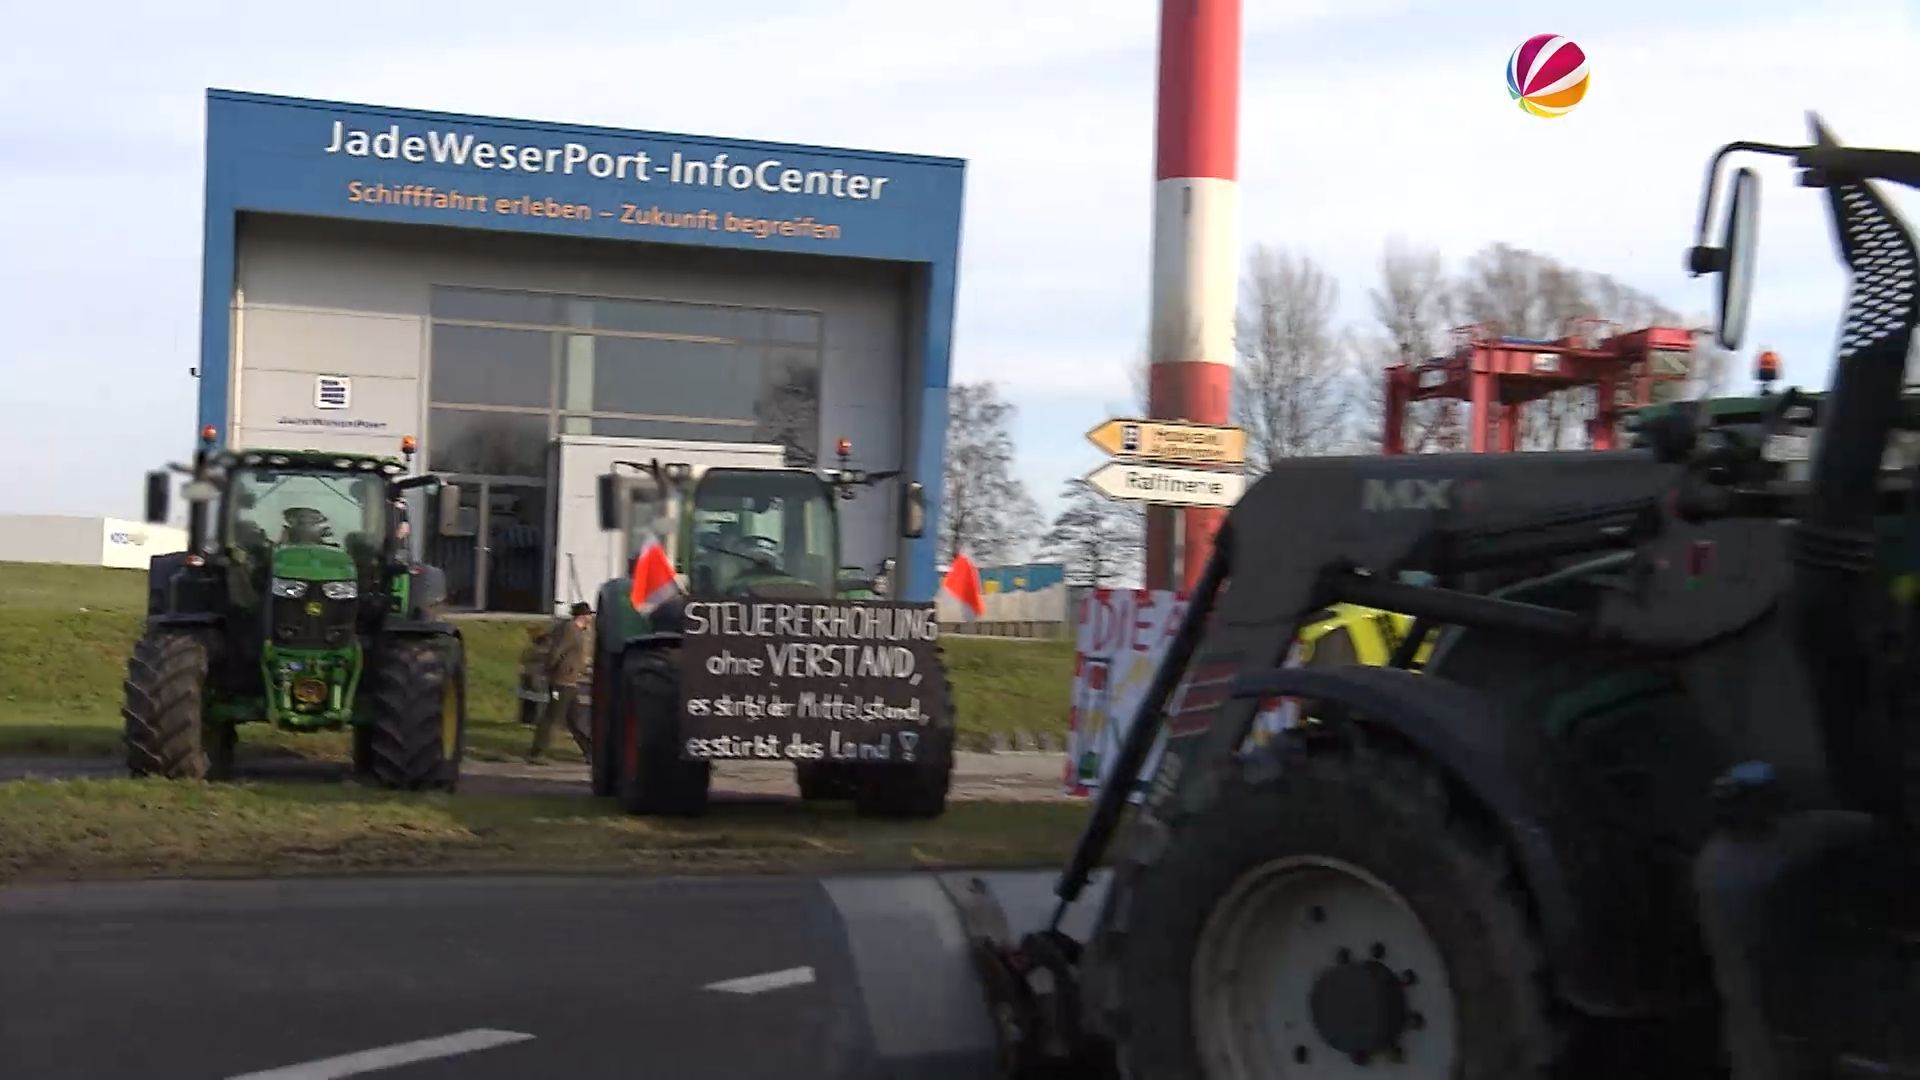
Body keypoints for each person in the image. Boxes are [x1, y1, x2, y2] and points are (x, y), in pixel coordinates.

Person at [528, 602, 593, 763]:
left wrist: (583, 669)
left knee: (575, 720)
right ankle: (537, 752)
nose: (591, 618)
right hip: (561, 682)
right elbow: (557, 650)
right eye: (589, 615)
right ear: (582, 616)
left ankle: (590, 752)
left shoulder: (579, 632)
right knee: (551, 717)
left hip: (570, 682)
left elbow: (575, 656)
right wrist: (550, 669)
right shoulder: (569, 630)